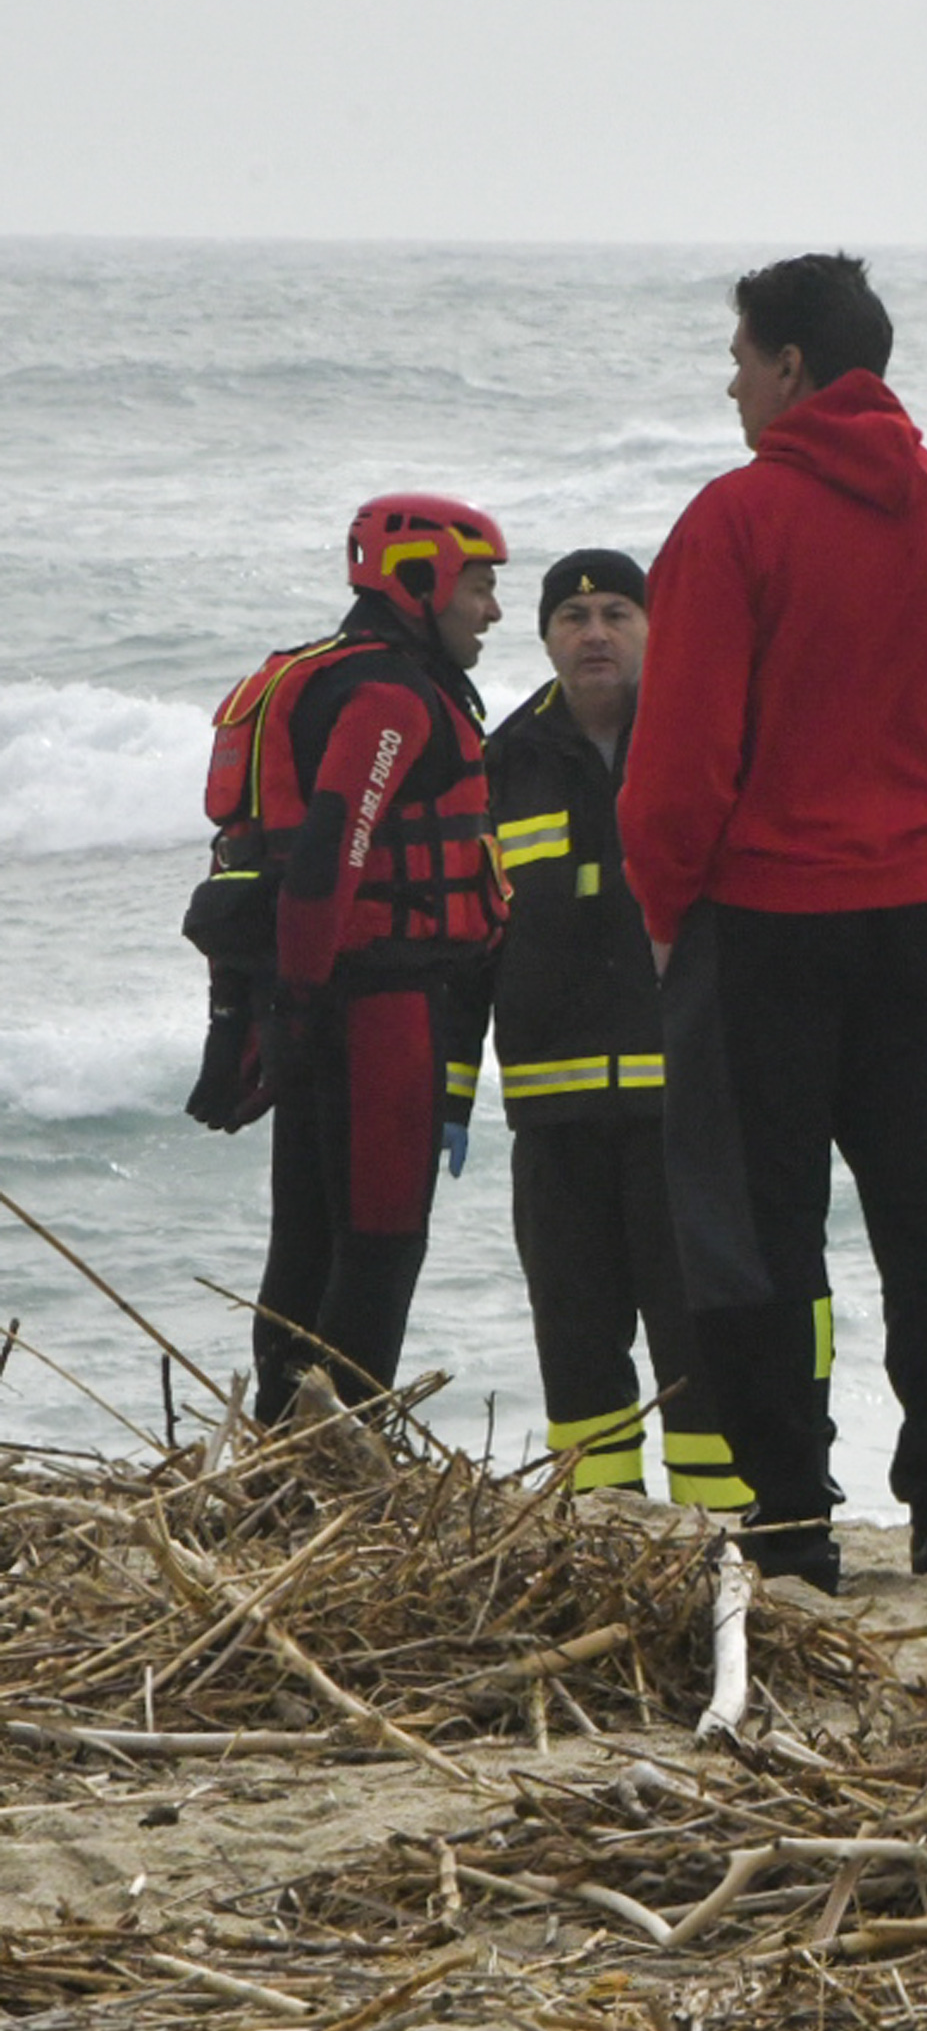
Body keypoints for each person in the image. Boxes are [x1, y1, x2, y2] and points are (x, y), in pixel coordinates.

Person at [622, 254, 927, 1595]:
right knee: (924, 1208)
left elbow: (681, 753)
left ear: (795, 368)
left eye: (741, 356)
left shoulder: (736, 521)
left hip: (763, 918)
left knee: (759, 1223)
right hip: (917, 913)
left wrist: (662, 903)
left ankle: (794, 1512)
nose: (731, 380)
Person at [201, 497, 510, 1419]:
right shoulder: (387, 697)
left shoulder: (317, 675)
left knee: (304, 1240)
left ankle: (279, 1452)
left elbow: (245, 860)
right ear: (422, 580)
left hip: (309, 1000)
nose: (491, 610)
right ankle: (336, 1461)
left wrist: (259, 1012)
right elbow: (330, 849)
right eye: (482, 586)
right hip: (375, 1006)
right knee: (379, 1242)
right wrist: (295, 1002)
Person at [472, 549, 744, 1509]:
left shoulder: (703, 743)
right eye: (572, 615)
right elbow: (470, 946)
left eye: (617, 612)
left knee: (702, 1334)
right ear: (544, 637)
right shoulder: (497, 764)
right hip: (555, 1120)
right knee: (577, 1341)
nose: (594, 632)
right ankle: (600, 1529)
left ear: (654, 629)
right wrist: (450, 1093)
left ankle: (727, 1532)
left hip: (690, 1110)